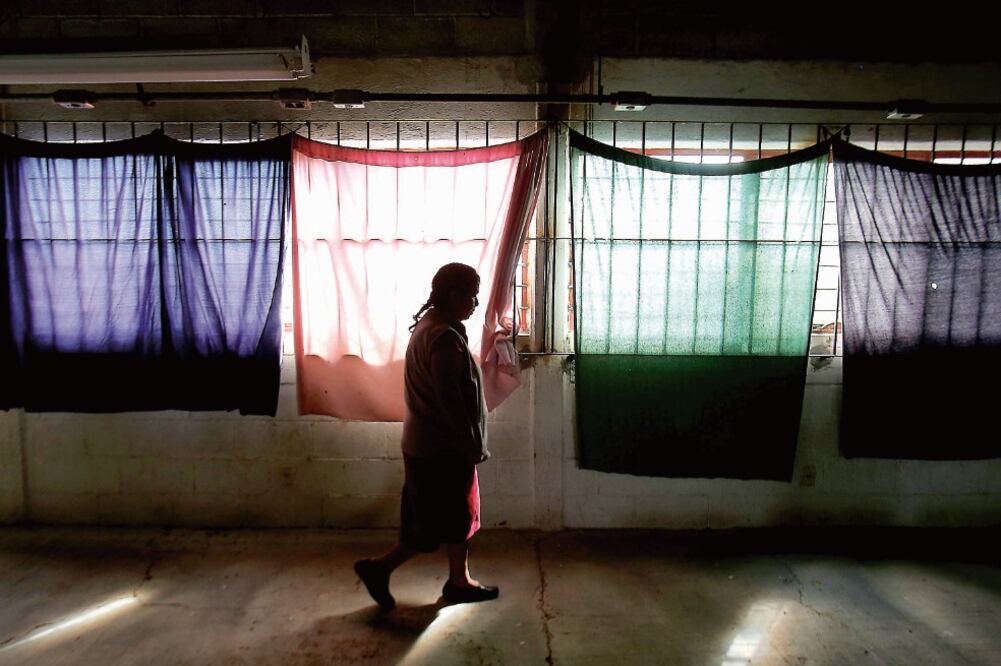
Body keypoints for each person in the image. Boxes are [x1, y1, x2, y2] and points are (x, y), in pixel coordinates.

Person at [354, 262, 498, 609]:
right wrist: (469, 443)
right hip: (443, 449)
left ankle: (457, 580)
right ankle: (382, 568)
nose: (475, 303)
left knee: (437, 520)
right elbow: (450, 400)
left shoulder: (430, 327)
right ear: (453, 295)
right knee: (443, 521)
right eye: (472, 296)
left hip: (427, 445)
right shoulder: (444, 340)